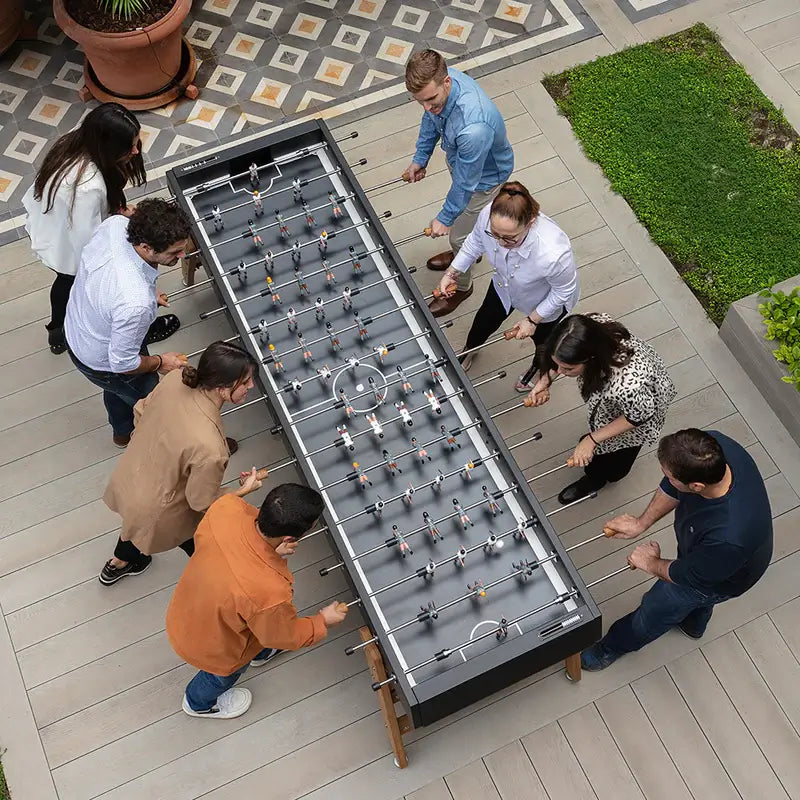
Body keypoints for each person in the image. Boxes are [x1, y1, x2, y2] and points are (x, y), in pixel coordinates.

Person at [581, 428, 773, 671]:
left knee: (654, 611)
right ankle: (694, 623)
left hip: (722, 575)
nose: (666, 480)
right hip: (709, 557)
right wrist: (641, 523)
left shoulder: (728, 537)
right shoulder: (712, 448)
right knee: (695, 601)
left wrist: (649, 562)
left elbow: (689, 575)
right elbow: (673, 487)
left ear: (696, 486)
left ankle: (610, 648)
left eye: (670, 477)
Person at [166, 484, 349, 720]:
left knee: (259, 626)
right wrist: (322, 621)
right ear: (289, 538)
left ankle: (260, 653)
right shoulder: (268, 593)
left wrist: (272, 551)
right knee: (220, 677)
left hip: (185, 609)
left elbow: (238, 535)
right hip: (217, 647)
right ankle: (198, 703)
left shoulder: (225, 509)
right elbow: (283, 635)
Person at [99, 341, 267, 586]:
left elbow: (140, 411)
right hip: (162, 510)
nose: (251, 386)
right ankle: (224, 584)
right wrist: (243, 490)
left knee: (135, 526)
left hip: (132, 477)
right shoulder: (210, 448)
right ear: (222, 387)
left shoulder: (175, 379)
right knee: (203, 545)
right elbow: (201, 501)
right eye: (245, 382)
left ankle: (121, 561)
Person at [22, 103, 180, 354]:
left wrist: (116, 211)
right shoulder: (87, 188)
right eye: (130, 146)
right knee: (87, 287)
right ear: (109, 146)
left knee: (64, 282)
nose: (136, 151)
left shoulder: (77, 140)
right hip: (70, 247)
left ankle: (58, 332)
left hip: (52, 231)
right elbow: (94, 243)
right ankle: (140, 330)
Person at [64, 198, 191, 448]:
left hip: (80, 331)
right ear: (145, 246)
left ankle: (123, 432)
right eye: (174, 253)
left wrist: (147, 291)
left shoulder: (115, 226)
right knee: (157, 405)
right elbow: (123, 363)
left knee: (117, 389)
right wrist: (161, 362)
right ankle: (183, 448)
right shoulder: (135, 303)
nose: (183, 255)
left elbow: (112, 281)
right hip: (106, 359)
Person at [403, 49, 514, 317]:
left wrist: (446, 218)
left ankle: (462, 286)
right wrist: (421, 158)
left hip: (484, 181)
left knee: (459, 236)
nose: (427, 107)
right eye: (420, 101)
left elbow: (467, 182)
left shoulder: (473, 127)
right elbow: (431, 119)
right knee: (467, 228)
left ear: (447, 82)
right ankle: (467, 254)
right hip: (464, 164)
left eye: (431, 99)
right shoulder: (440, 86)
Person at [434, 181, 579, 385]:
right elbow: (475, 241)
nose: (501, 243)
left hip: (543, 300)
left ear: (530, 223)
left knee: (545, 342)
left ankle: (538, 370)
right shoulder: (489, 214)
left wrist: (533, 320)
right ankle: (470, 350)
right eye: (495, 235)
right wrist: (452, 272)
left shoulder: (554, 254)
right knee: (483, 321)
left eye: (510, 238)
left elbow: (563, 291)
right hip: (503, 284)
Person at [526, 313, 677, 505]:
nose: (560, 372)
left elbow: (638, 417)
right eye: (557, 365)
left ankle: (596, 479)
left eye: (568, 369)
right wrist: (546, 380)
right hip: (616, 400)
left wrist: (592, 439)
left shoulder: (627, 386)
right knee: (598, 435)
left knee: (614, 462)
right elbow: (561, 358)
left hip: (638, 412)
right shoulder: (586, 326)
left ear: (591, 358)